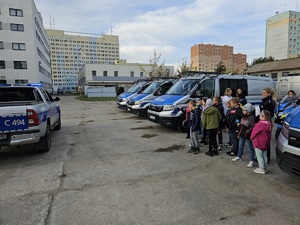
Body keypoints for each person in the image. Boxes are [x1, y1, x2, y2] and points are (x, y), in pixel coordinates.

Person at [232, 103, 256, 168]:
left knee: (250, 147)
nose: (242, 111)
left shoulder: (251, 118)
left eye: (244, 110)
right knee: (240, 145)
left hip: (247, 135)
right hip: (242, 134)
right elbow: (240, 122)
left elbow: (252, 127)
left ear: (248, 111)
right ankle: (239, 156)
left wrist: (246, 132)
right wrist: (238, 124)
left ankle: (252, 160)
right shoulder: (242, 116)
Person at [250, 110, 273, 174]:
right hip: (266, 142)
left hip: (259, 142)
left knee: (259, 156)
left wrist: (251, 137)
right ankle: (265, 168)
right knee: (264, 155)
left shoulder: (259, 124)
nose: (259, 117)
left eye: (260, 116)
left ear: (263, 117)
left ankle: (261, 168)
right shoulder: (269, 124)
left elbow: (254, 132)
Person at [259, 87, 276, 163]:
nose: (263, 94)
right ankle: (264, 157)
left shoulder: (269, 102)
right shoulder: (266, 101)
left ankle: (266, 158)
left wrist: (257, 117)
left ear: (269, 94)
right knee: (263, 140)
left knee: (265, 140)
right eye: (262, 93)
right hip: (263, 122)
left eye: (264, 93)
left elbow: (267, 114)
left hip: (265, 123)